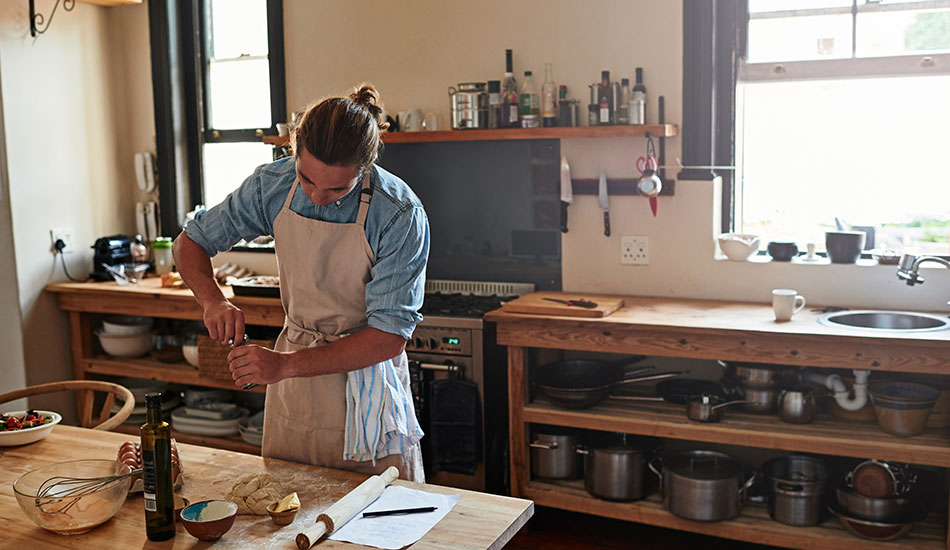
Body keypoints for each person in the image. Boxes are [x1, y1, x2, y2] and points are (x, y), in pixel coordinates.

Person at [173, 84, 428, 481]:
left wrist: (285, 366)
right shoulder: (271, 185)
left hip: (365, 382)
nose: (318, 196)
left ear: (366, 166)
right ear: (294, 149)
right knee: (283, 517)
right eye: (307, 179)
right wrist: (213, 301)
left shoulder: (398, 213)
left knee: (376, 529)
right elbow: (189, 243)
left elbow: (387, 337)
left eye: (337, 188)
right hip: (293, 386)